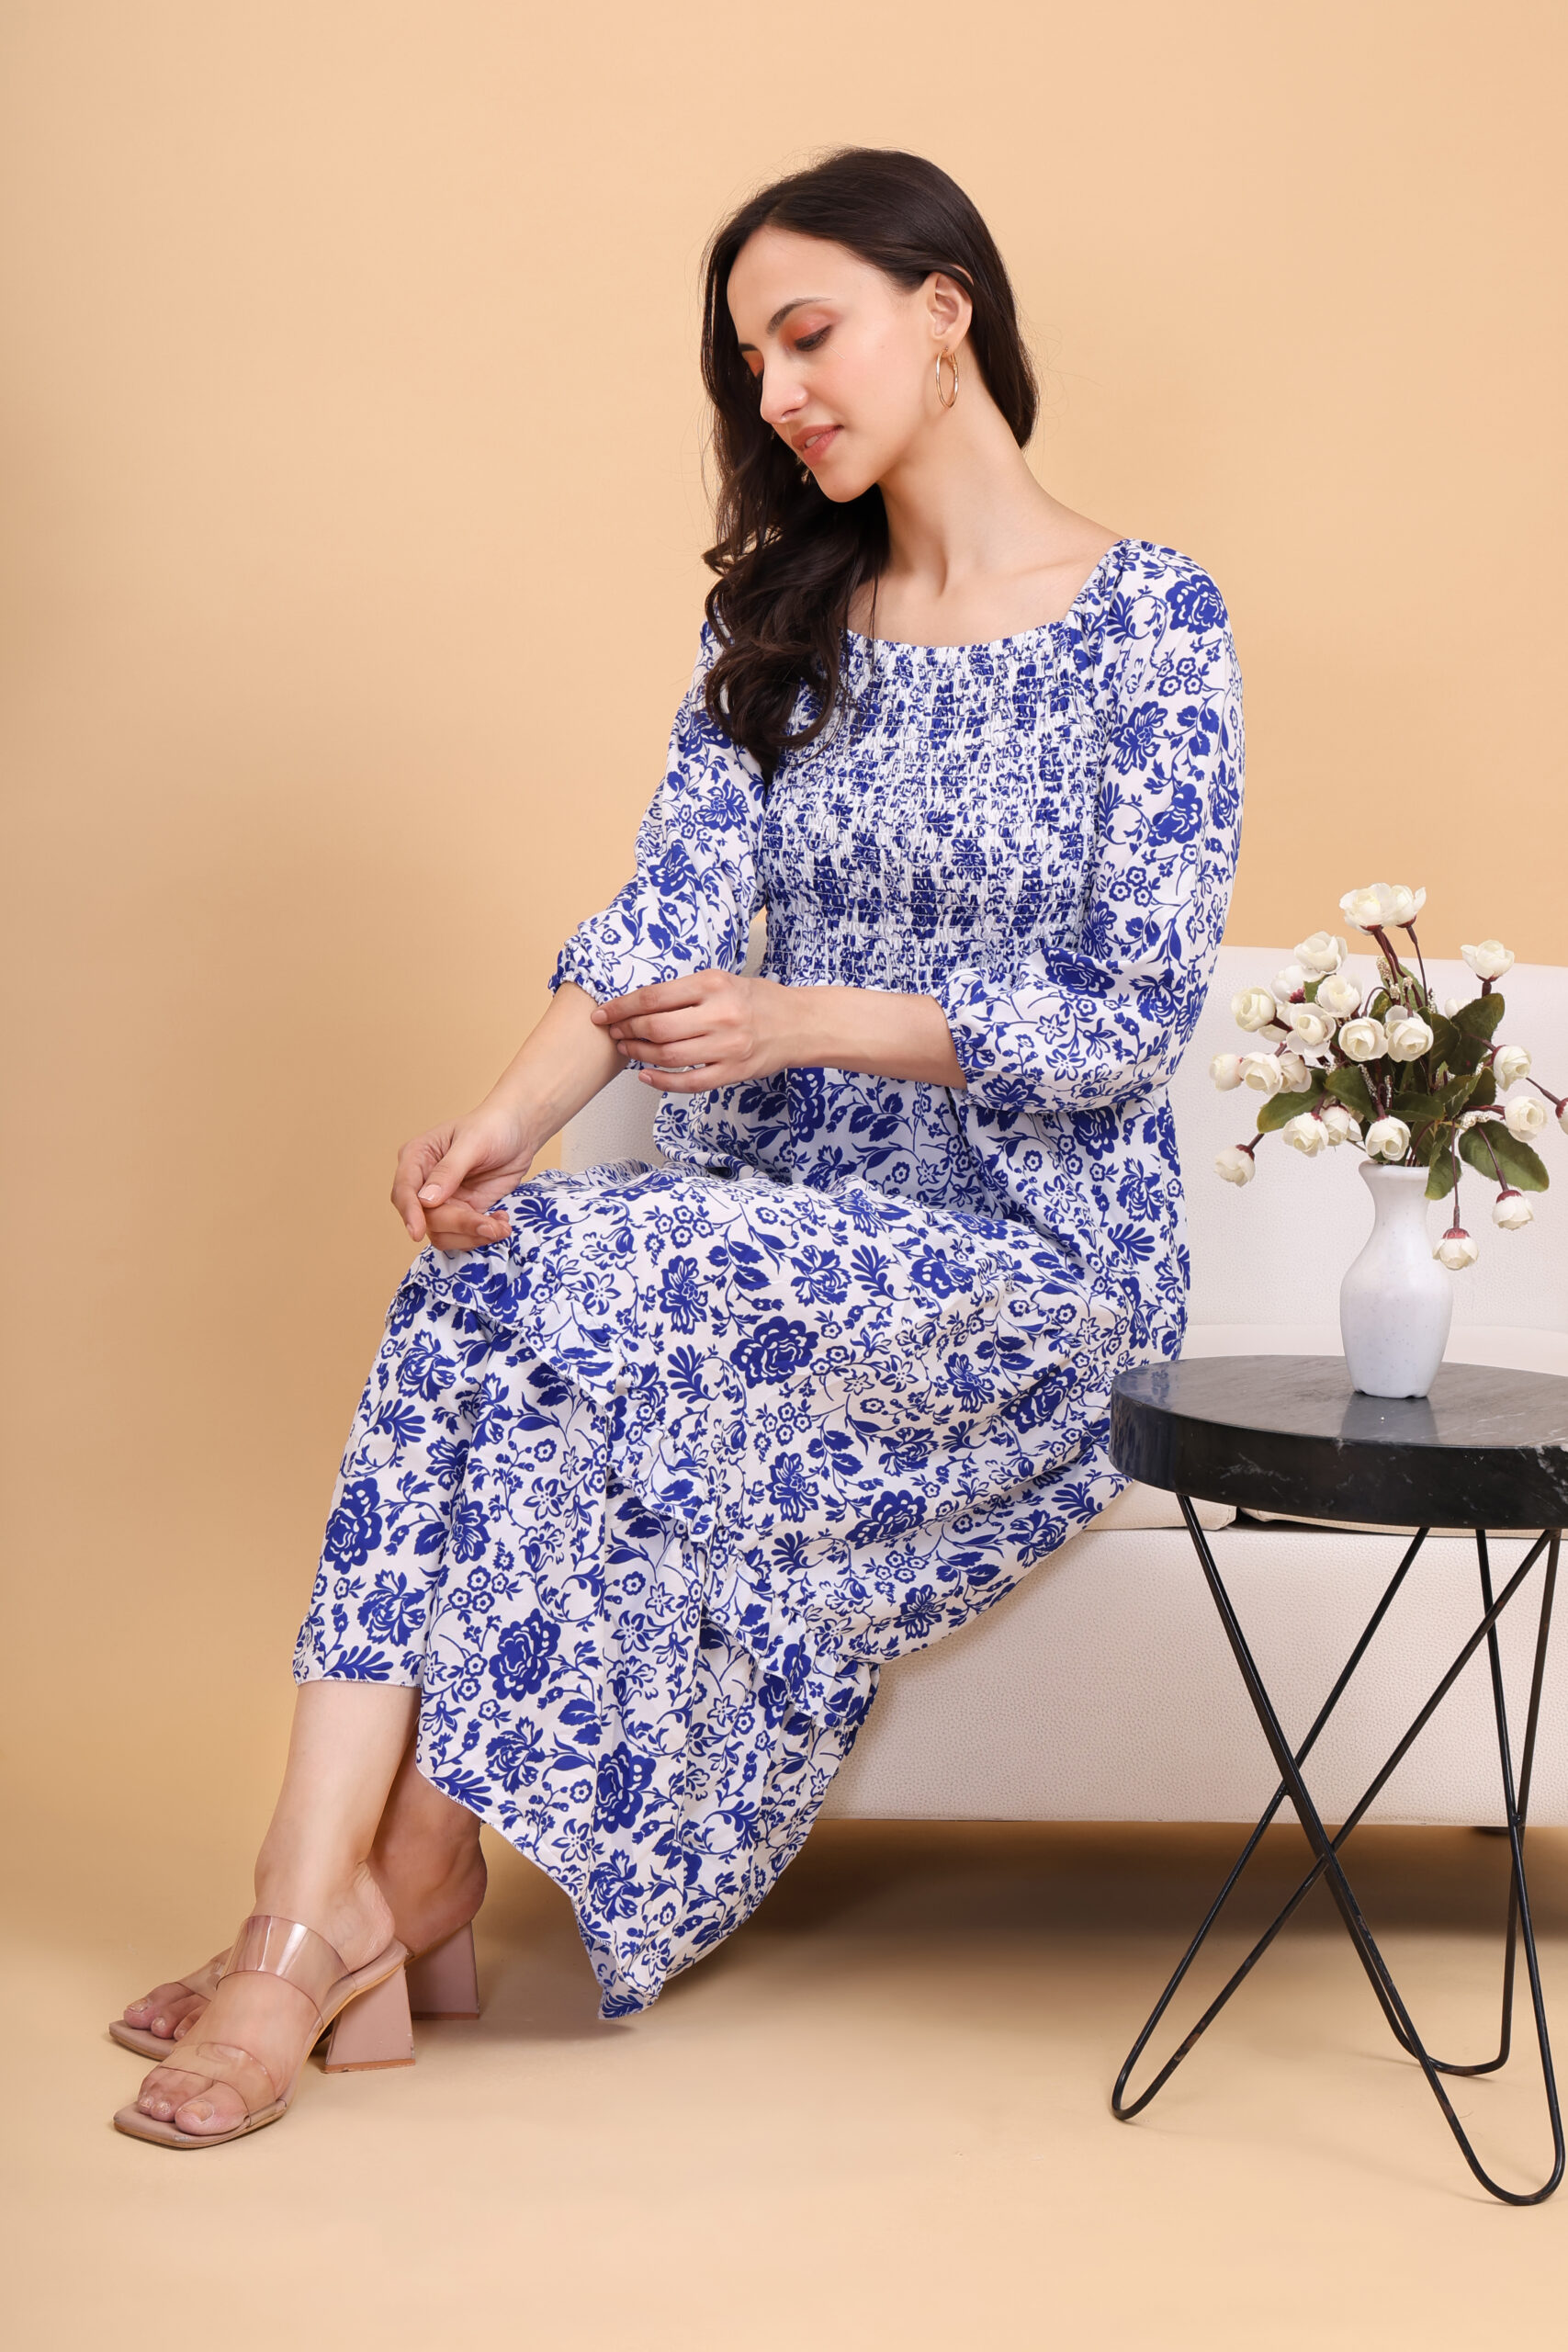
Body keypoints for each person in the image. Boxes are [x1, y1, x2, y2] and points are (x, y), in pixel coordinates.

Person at [115, 146, 1244, 2146]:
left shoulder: (1150, 622)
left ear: (944, 309)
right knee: (485, 1262)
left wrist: (808, 1017)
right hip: (777, 1238)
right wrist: (496, 1122)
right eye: (751, 365)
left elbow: (1130, 1015)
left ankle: (353, 1914)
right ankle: (332, 1896)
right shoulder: (779, 618)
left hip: (1032, 1277)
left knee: (550, 1278)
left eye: (808, 335)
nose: (779, 393)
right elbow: (656, 920)